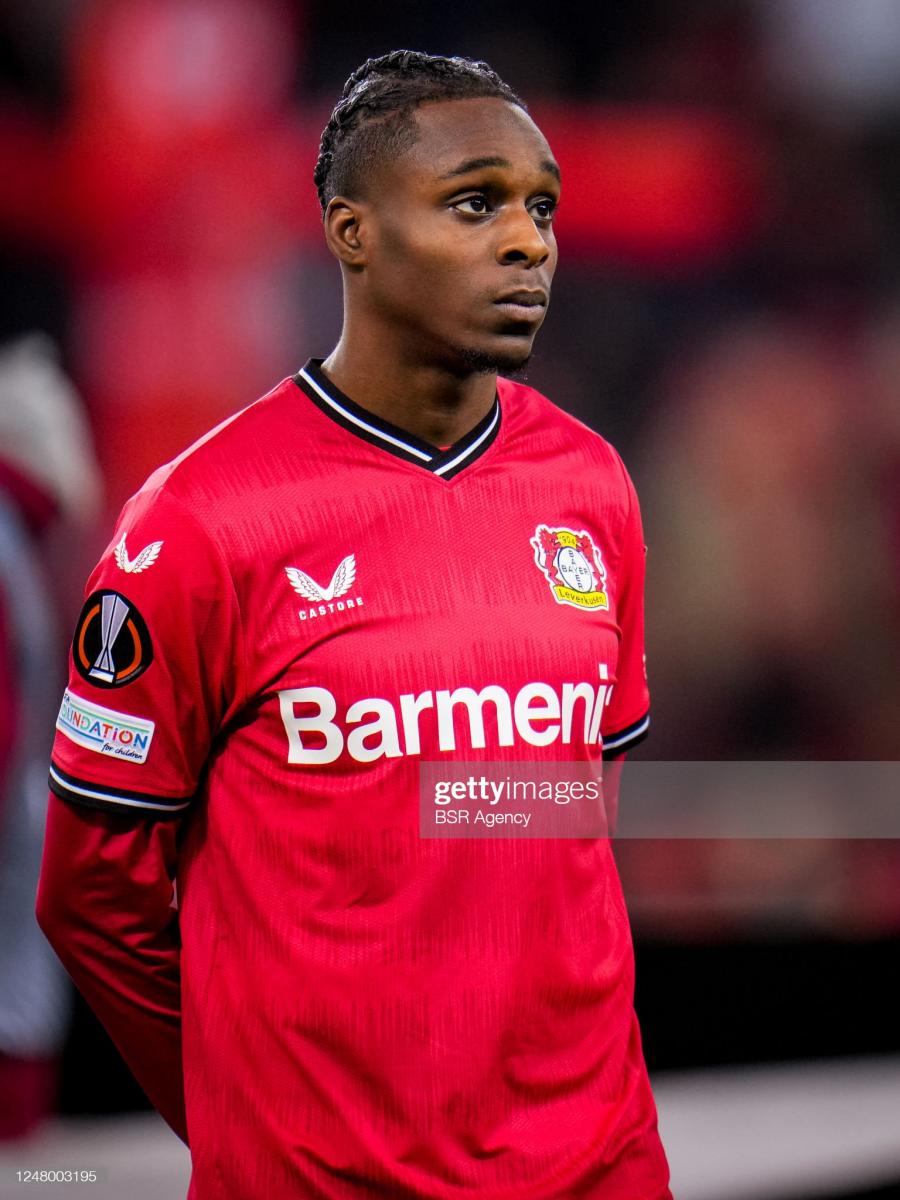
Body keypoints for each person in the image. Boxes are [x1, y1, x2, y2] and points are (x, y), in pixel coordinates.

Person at [36, 50, 671, 1199]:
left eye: (541, 206)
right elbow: (91, 896)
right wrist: (245, 1111)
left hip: (600, 1165)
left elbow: (569, 807)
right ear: (351, 232)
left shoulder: (592, 485)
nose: (529, 241)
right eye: (475, 203)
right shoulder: (199, 524)